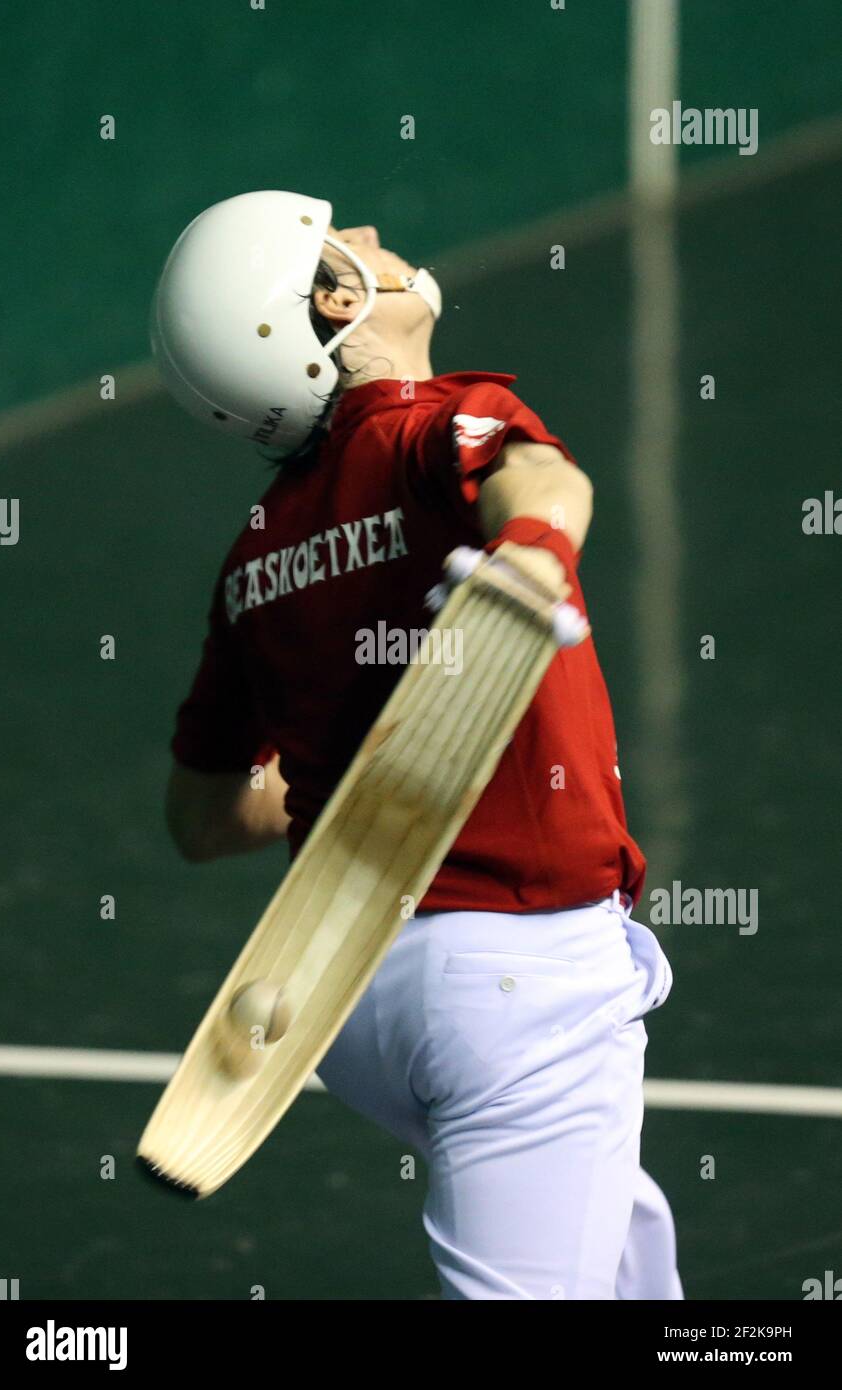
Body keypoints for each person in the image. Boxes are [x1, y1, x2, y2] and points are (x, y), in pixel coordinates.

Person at [151, 191, 683, 1300]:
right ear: (338, 302)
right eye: (354, 247)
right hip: (515, 980)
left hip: (350, 1004)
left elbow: (200, 817)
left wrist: (332, 767)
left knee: (625, 1244)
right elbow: (542, 483)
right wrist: (530, 559)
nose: (384, 242)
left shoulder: (255, 555)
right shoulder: (439, 420)